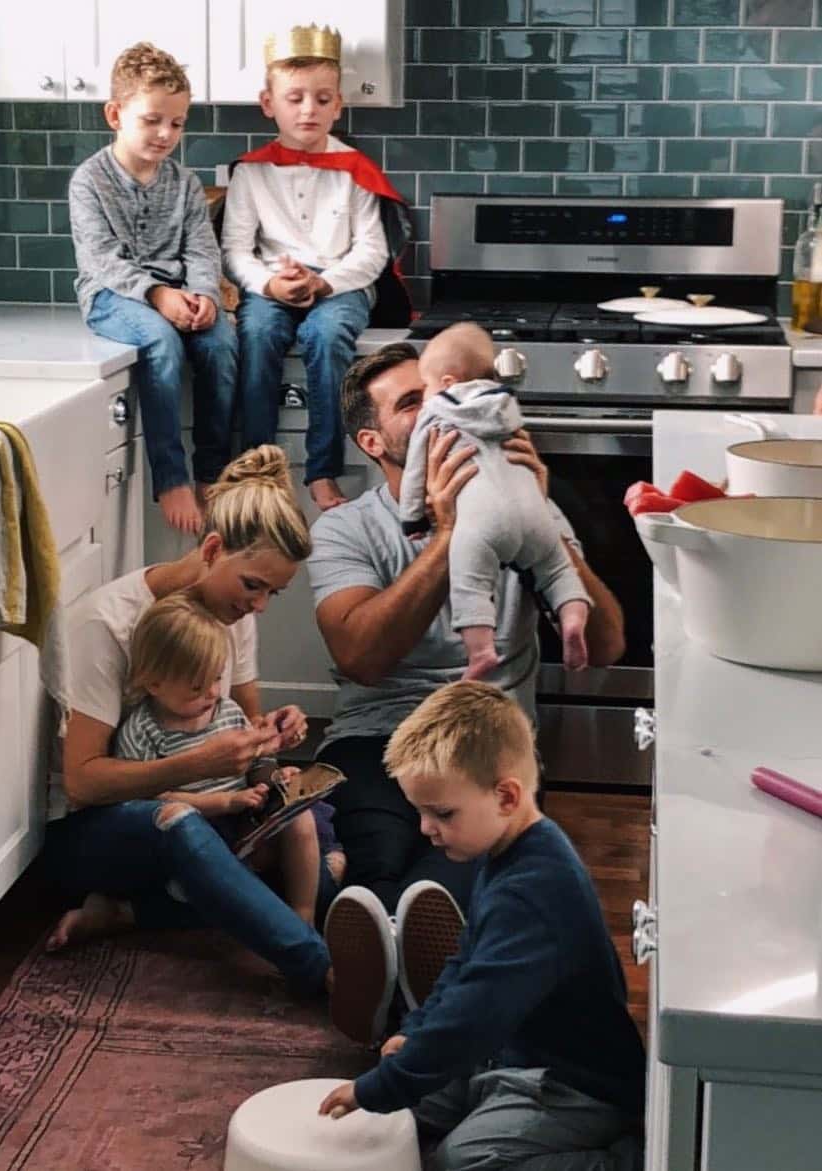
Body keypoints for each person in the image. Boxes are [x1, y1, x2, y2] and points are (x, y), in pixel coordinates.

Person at [307, 343, 625, 913]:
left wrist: (540, 518)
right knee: (366, 868)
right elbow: (361, 658)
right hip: (376, 737)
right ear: (372, 443)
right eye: (411, 402)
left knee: (448, 886)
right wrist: (450, 534)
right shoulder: (345, 530)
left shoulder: (525, 510)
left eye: (437, 391)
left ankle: (395, 963)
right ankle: (378, 960)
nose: (437, 405)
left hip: (487, 740)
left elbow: (606, 645)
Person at [319, 681, 646, 1171]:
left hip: (575, 1083)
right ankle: (483, 1101)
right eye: (420, 812)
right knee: (410, 1089)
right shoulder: (506, 853)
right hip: (512, 1050)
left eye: (441, 813)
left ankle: (629, 1159)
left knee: (464, 1159)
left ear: (506, 796)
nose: (426, 829)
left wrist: (380, 1087)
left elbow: (474, 1014)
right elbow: (463, 963)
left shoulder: (531, 891)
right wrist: (418, 1030)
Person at [43, 446, 333, 995]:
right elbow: (83, 780)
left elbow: (248, 727)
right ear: (213, 548)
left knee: (319, 836)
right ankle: (324, 974)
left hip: (211, 807)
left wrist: (272, 743)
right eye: (254, 585)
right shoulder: (106, 624)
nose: (261, 605)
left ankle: (132, 914)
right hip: (100, 832)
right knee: (184, 824)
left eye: (275, 592)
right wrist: (202, 762)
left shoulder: (233, 612)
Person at [221, 26, 410, 513]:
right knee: (258, 333)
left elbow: (372, 251)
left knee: (327, 339)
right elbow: (235, 250)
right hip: (272, 283)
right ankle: (258, 466)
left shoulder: (355, 170)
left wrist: (324, 281)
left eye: (321, 99)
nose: (308, 109)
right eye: (295, 98)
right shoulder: (250, 172)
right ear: (269, 104)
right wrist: (269, 283)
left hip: (340, 284)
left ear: (337, 106)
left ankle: (322, 469)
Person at [70, 41, 238, 534]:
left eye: (178, 123)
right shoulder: (89, 182)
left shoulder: (184, 183)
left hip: (180, 292)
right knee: (160, 344)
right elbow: (100, 259)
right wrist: (157, 295)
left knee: (223, 343)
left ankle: (211, 470)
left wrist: (204, 295)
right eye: (152, 120)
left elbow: (203, 250)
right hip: (112, 297)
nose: (167, 134)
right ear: (115, 114)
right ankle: (170, 477)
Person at [114, 590, 343, 925]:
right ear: (153, 684)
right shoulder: (142, 730)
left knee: (302, 821)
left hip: (244, 819)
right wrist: (225, 801)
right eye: (196, 687)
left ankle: (303, 917)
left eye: (218, 678)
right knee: (207, 884)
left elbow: (256, 763)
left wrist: (274, 778)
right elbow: (151, 800)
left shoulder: (227, 711)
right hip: (200, 830)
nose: (211, 693)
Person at [405, 322, 590, 680]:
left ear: (446, 383)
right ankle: (571, 619)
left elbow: (416, 470)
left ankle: (481, 652)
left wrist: (414, 518)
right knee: (556, 569)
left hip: (481, 518)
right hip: (532, 509)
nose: (422, 402)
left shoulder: (437, 411)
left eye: (423, 389)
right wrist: (540, 500)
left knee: (471, 582)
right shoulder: (507, 407)